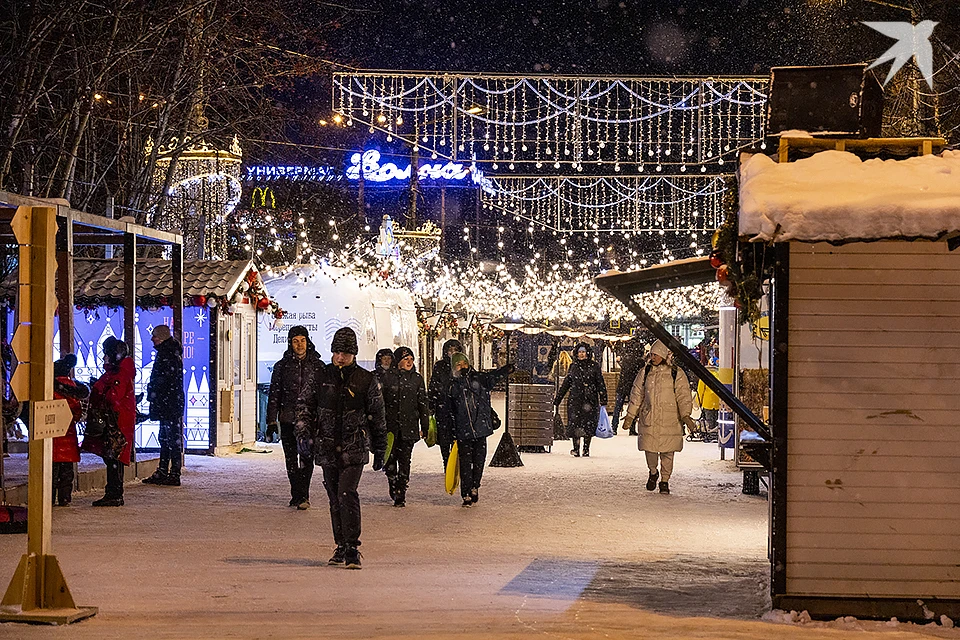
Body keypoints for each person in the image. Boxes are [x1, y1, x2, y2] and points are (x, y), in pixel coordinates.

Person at [297, 327, 386, 570]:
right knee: (334, 497)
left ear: (353, 354)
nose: (340, 357)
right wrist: (304, 434)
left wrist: (380, 449)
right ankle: (341, 544)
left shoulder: (366, 380)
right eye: (337, 352)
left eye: (345, 353)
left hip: (354, 447)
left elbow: (378, 417)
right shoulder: (322, 376)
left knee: (347, 493)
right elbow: (305, 405)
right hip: (326, 446)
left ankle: (352, 547)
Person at [624, 340, 693, 495]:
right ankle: (653, 471)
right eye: (651, 354)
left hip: (670, 419)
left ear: (663, 354)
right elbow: (637, 394)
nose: (652, 357)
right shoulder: (645, 372)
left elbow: (683, 396)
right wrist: (630, 415)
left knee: (668, 453)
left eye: (655, 354)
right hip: (649, 417)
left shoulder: (676, 373)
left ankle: (665, 480)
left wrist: (686, 415)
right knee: (650, 449)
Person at [266, 326, 324, 509]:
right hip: (288, 419)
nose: (299, 345)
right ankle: (296, 494)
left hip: (309, 420)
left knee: (306, 458)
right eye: (295, 341)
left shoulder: (318, 366)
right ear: (290, 343)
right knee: (291, 459)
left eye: (302, 340)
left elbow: (324, 395)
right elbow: (274, 395)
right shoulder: (282, 367)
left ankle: (303, 495)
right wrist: (271, 420)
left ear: (308, 341)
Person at [446, 353, 512, 507]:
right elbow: (449, 409)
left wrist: (505, 370)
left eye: (464, 363)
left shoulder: (479, 379)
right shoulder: (453, 385)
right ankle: (466, 493)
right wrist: (450, 429)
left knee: (479, 461)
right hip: (463, 430)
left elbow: (494, 376)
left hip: (480, 428)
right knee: (465, 463)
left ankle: (475, 486)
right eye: (458, 364)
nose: (462, 366)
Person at [82, 336, 136, 507]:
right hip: (117, 421)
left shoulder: (119, 374)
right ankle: (113, 492)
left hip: (116, 422)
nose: (104, 357)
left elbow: (114, 397)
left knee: (113, 457)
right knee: (112, 457)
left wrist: (98, 388)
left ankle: (114, 493)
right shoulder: (118, 372)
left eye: (106, 354)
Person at [380, 346, 428, 507]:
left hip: (409, 428)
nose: (409, 362)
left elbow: (423, 404)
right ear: (398, 361)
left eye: (411, 359)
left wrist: (425, 426)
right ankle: (393, 483)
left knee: (405, 461)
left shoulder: (416, 378)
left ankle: (401, 489)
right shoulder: (388, 378)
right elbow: (381, 404)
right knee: (390, 460)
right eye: (405, 359)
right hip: (391, 428)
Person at [141, 324, 185, 487]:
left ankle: (172, 472)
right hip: (169, 402)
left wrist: (154, 390)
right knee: (167, 438)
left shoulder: (168, 355)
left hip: (169, 403)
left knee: (170, 438)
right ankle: (166, 471)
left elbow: (165, 379)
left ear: (162, 337)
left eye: (155, 336)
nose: (152, 339)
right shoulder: (169, 353)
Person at [553, 342, 607, 458]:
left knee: (588, 425)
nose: (581, 354)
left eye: (583, 352)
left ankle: (586, 449)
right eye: (579, 352)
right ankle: (576, 448)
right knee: (575, 424)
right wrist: (558, 398)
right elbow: (567, 383)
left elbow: (600, 383)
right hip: (575, 400)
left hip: (590, 400)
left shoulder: (594, 366)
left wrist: (603, 399)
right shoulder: (573, 366)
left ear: (587, 353)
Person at [52, 354, 89, 507]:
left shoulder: (49, 388)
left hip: (52, 435)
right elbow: (77, 412)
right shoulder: (75, 389)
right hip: (69, 434)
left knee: (52, 471)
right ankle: (65, 497)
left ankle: (49, 496)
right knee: (67, 471)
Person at [428, 339, 463, 469]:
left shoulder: (462, 365)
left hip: (460, 408)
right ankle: (446, 461)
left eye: (455, 350)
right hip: (443, 407)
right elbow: (433, 385)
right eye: (450, 350)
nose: (452, 353)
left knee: (458, 436)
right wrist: (431, 404)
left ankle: (456, 462)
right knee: (444, 437)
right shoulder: (440, 366)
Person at [611, 338, 646, 437]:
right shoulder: (640, 362)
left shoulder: (625, 359)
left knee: (617, 408)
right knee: (633, 409)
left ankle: (614, 427)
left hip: (622, 386)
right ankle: (632, 428)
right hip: (632, 387)